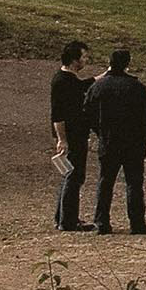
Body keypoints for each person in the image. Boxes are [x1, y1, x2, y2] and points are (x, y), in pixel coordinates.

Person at [82, 44, 146, 235]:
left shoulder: (98, 87)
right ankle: (137, 222)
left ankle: (102, 221)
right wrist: (143, 138)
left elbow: (87, 113)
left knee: (105, 182)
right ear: (127, 64)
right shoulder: (137, 88)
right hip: (133, 143)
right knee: (134, 183)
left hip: (109, 141)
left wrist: (100, 132)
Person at [48, 40, 92, 232]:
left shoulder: (67, 79)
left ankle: (63, 216)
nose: (86, 60)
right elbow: (57, 115)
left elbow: (82, 86)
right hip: (72, 136)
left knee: (70, 175)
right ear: (75, 60)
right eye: (84, 56)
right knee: (75, 176)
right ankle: (68, 220)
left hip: (74, 135)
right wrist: (62, 139)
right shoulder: (63, 81)